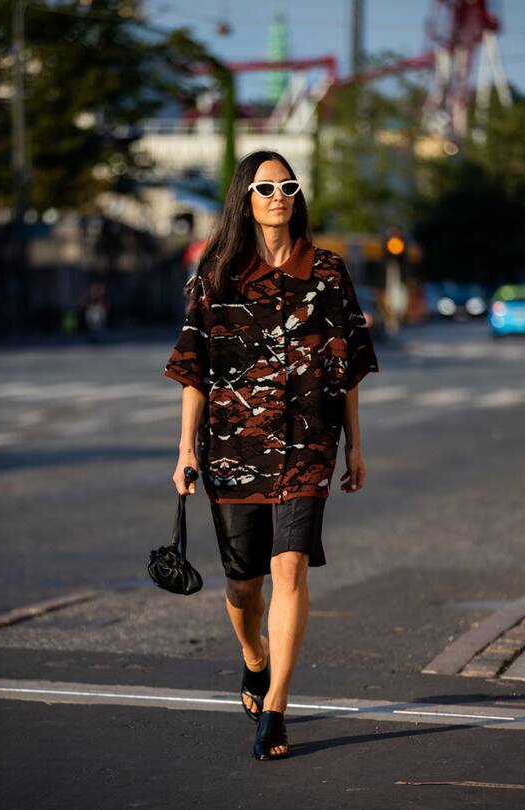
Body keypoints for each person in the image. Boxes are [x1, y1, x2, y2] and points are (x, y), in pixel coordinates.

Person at [162, 150, 380, 760]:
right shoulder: (216, 275)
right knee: (244, 584)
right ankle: (254, 656)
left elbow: (349, 368)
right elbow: (193, 369)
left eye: (287, 185)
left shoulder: (330, 272)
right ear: (246, 198)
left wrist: (356, 446)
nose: (278, 195)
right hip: (234, 447)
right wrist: (185, 451)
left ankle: (277, 709)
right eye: (265, 187)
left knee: (290, 568)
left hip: (309, 443)